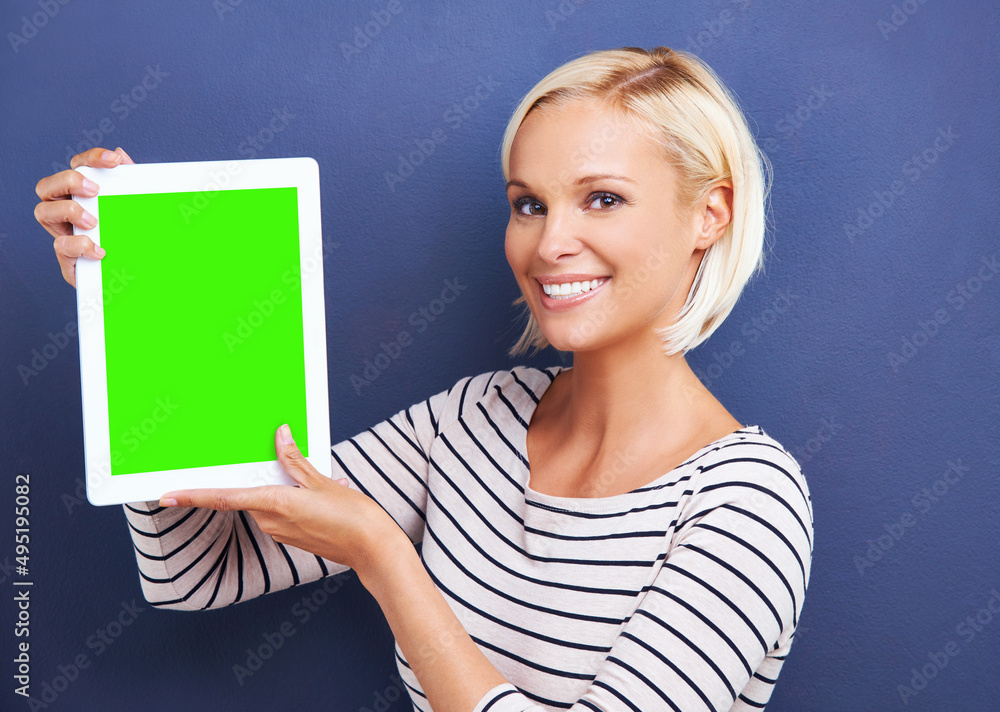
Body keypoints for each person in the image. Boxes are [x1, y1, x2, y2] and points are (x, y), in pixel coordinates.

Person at [34, 47, 812, 712]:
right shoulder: (475, 418)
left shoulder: (748, 503)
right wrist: (141, 310)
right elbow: (200, 571)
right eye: (529, 205)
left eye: (602, 199)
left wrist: (385, 558)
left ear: (710, 214)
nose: (551, 244)